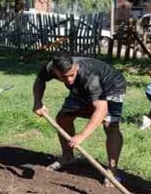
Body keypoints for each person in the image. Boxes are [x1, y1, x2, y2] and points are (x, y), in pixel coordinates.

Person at [32, 55, 127, 185]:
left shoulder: (89, 76)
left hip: (111, 86)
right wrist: (37, 102)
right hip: (81, 88)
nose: (69, 80)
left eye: (72, 75)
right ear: (55, 71)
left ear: (76, 67)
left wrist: (82, 135)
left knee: (110, 125)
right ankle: (67, 156)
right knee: (63, 118)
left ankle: (112, 171)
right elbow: (40, 80)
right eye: (64, 77)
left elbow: (101, 109)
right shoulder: (49, 67)